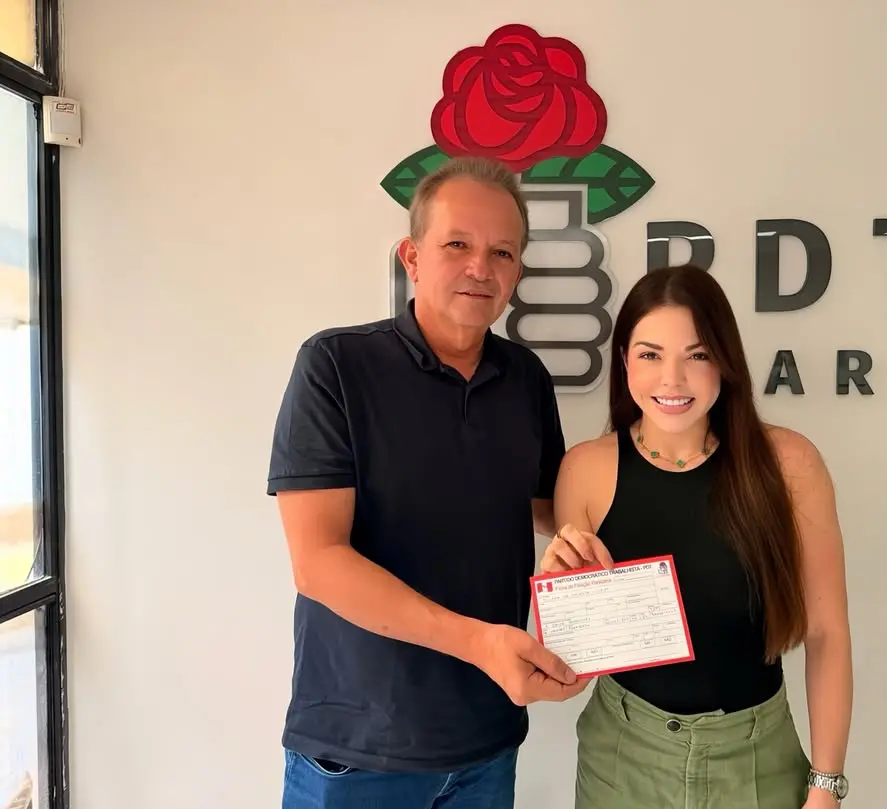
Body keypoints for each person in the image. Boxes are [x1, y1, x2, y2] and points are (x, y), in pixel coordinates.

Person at [267, 155, 587, 809]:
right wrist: (480, 641)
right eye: (458, 245)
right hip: (357, 751)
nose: (481, 267)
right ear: (412, 257)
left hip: (487, 742)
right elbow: (317, 562)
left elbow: (552, 507)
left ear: (517, 271)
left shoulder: (524, 378)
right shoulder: (336, 365)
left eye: (503, 252)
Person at [541, 264, 853, 809]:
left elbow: (827, 632)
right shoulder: (586, 469)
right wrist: (563, 598)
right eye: (650, 354)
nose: (672, 380)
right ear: (624, 361)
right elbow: (577, 665)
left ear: (725, 361)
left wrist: (826, 785)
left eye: (698, 355)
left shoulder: (789, 463)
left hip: (758, 758)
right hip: (624, 756)